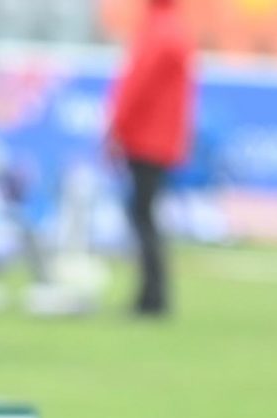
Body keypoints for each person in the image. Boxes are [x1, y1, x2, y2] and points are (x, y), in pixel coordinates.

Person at [107, 0, 195, 318]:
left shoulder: (157, 31)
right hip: (161, 139)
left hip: (146, 139)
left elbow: (135, 86)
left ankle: (152, 298)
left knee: (142, 216)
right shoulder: (174, 29)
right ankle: (152, 295)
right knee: (145, 215)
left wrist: (116, 126)